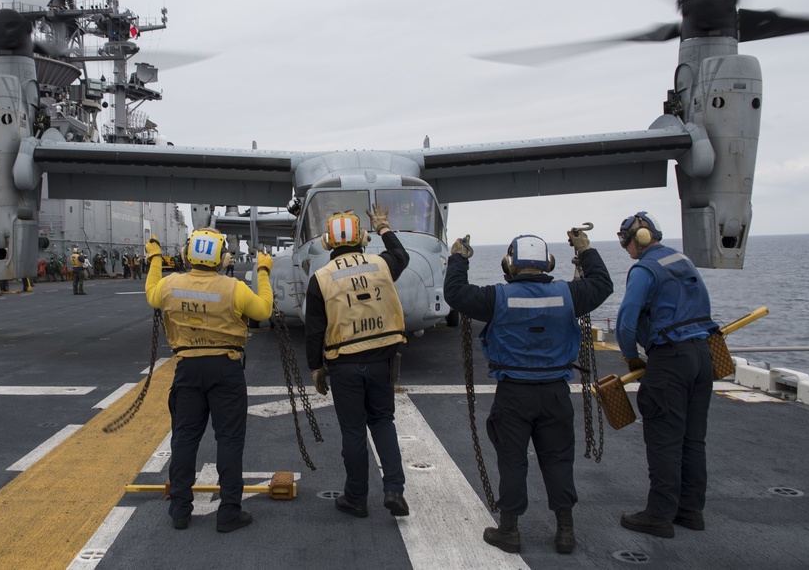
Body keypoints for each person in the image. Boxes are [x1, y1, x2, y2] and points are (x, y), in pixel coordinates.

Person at [443, 230, 612, 554]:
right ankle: (565, 531)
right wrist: (586, 251)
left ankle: (509, 530)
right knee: (559, 460)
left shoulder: (496, 299)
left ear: (509, 264)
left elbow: (455, 293)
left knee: (512, 461)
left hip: (514, 395)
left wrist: (459, 258)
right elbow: (603, 285)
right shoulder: (569, 295)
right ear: (548, 263)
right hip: (555, 395)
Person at [145, 228, 273, 532]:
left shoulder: (170, 285)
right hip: (225, 369)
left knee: (185, 438)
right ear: (222, 257)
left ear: (188, 255)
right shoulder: (234, 288)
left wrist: (153, 259)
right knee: (228, 439)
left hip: (187, 369)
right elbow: (264, 310)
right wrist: (264, 271)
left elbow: (151, 295)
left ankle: (180, 509)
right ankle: (229, 511)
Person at [615, 212, 718, 539]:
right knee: (692, 437)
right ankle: (690, 510)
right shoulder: (683, 261)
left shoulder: (645, 268)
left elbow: (627, 320)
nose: (626, 248)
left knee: (664, 438)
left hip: (671, 360)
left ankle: (659, 515)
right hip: (703, 357)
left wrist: (631, 356)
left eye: (625, 241)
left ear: (639, 237)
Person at [305, 204, 410, 519]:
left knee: (353, 431)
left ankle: (356, 499)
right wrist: (384, 228)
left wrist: (316, 368)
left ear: (328, 242)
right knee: (382, 423)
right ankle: (394, 489)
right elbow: (402, 256)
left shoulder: (321, 278)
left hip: (345, 365)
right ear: (362, 238)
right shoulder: (381, 264)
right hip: (382, 361)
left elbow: (314, 332)